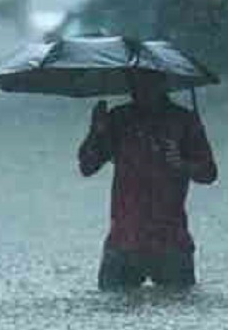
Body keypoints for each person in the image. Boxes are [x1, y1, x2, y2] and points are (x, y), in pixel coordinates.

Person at [77, 69, 218, 290]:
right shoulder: (119, 119)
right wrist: (96, 131)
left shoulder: (182, 120)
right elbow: (88, 165)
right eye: (135, 83)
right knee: (113, 307)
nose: (140, 89)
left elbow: (209, 172)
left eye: (147, 82)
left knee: (178, 308)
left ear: (162, 83)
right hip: (125, 238)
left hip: (170, 240)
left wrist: (182, 164)